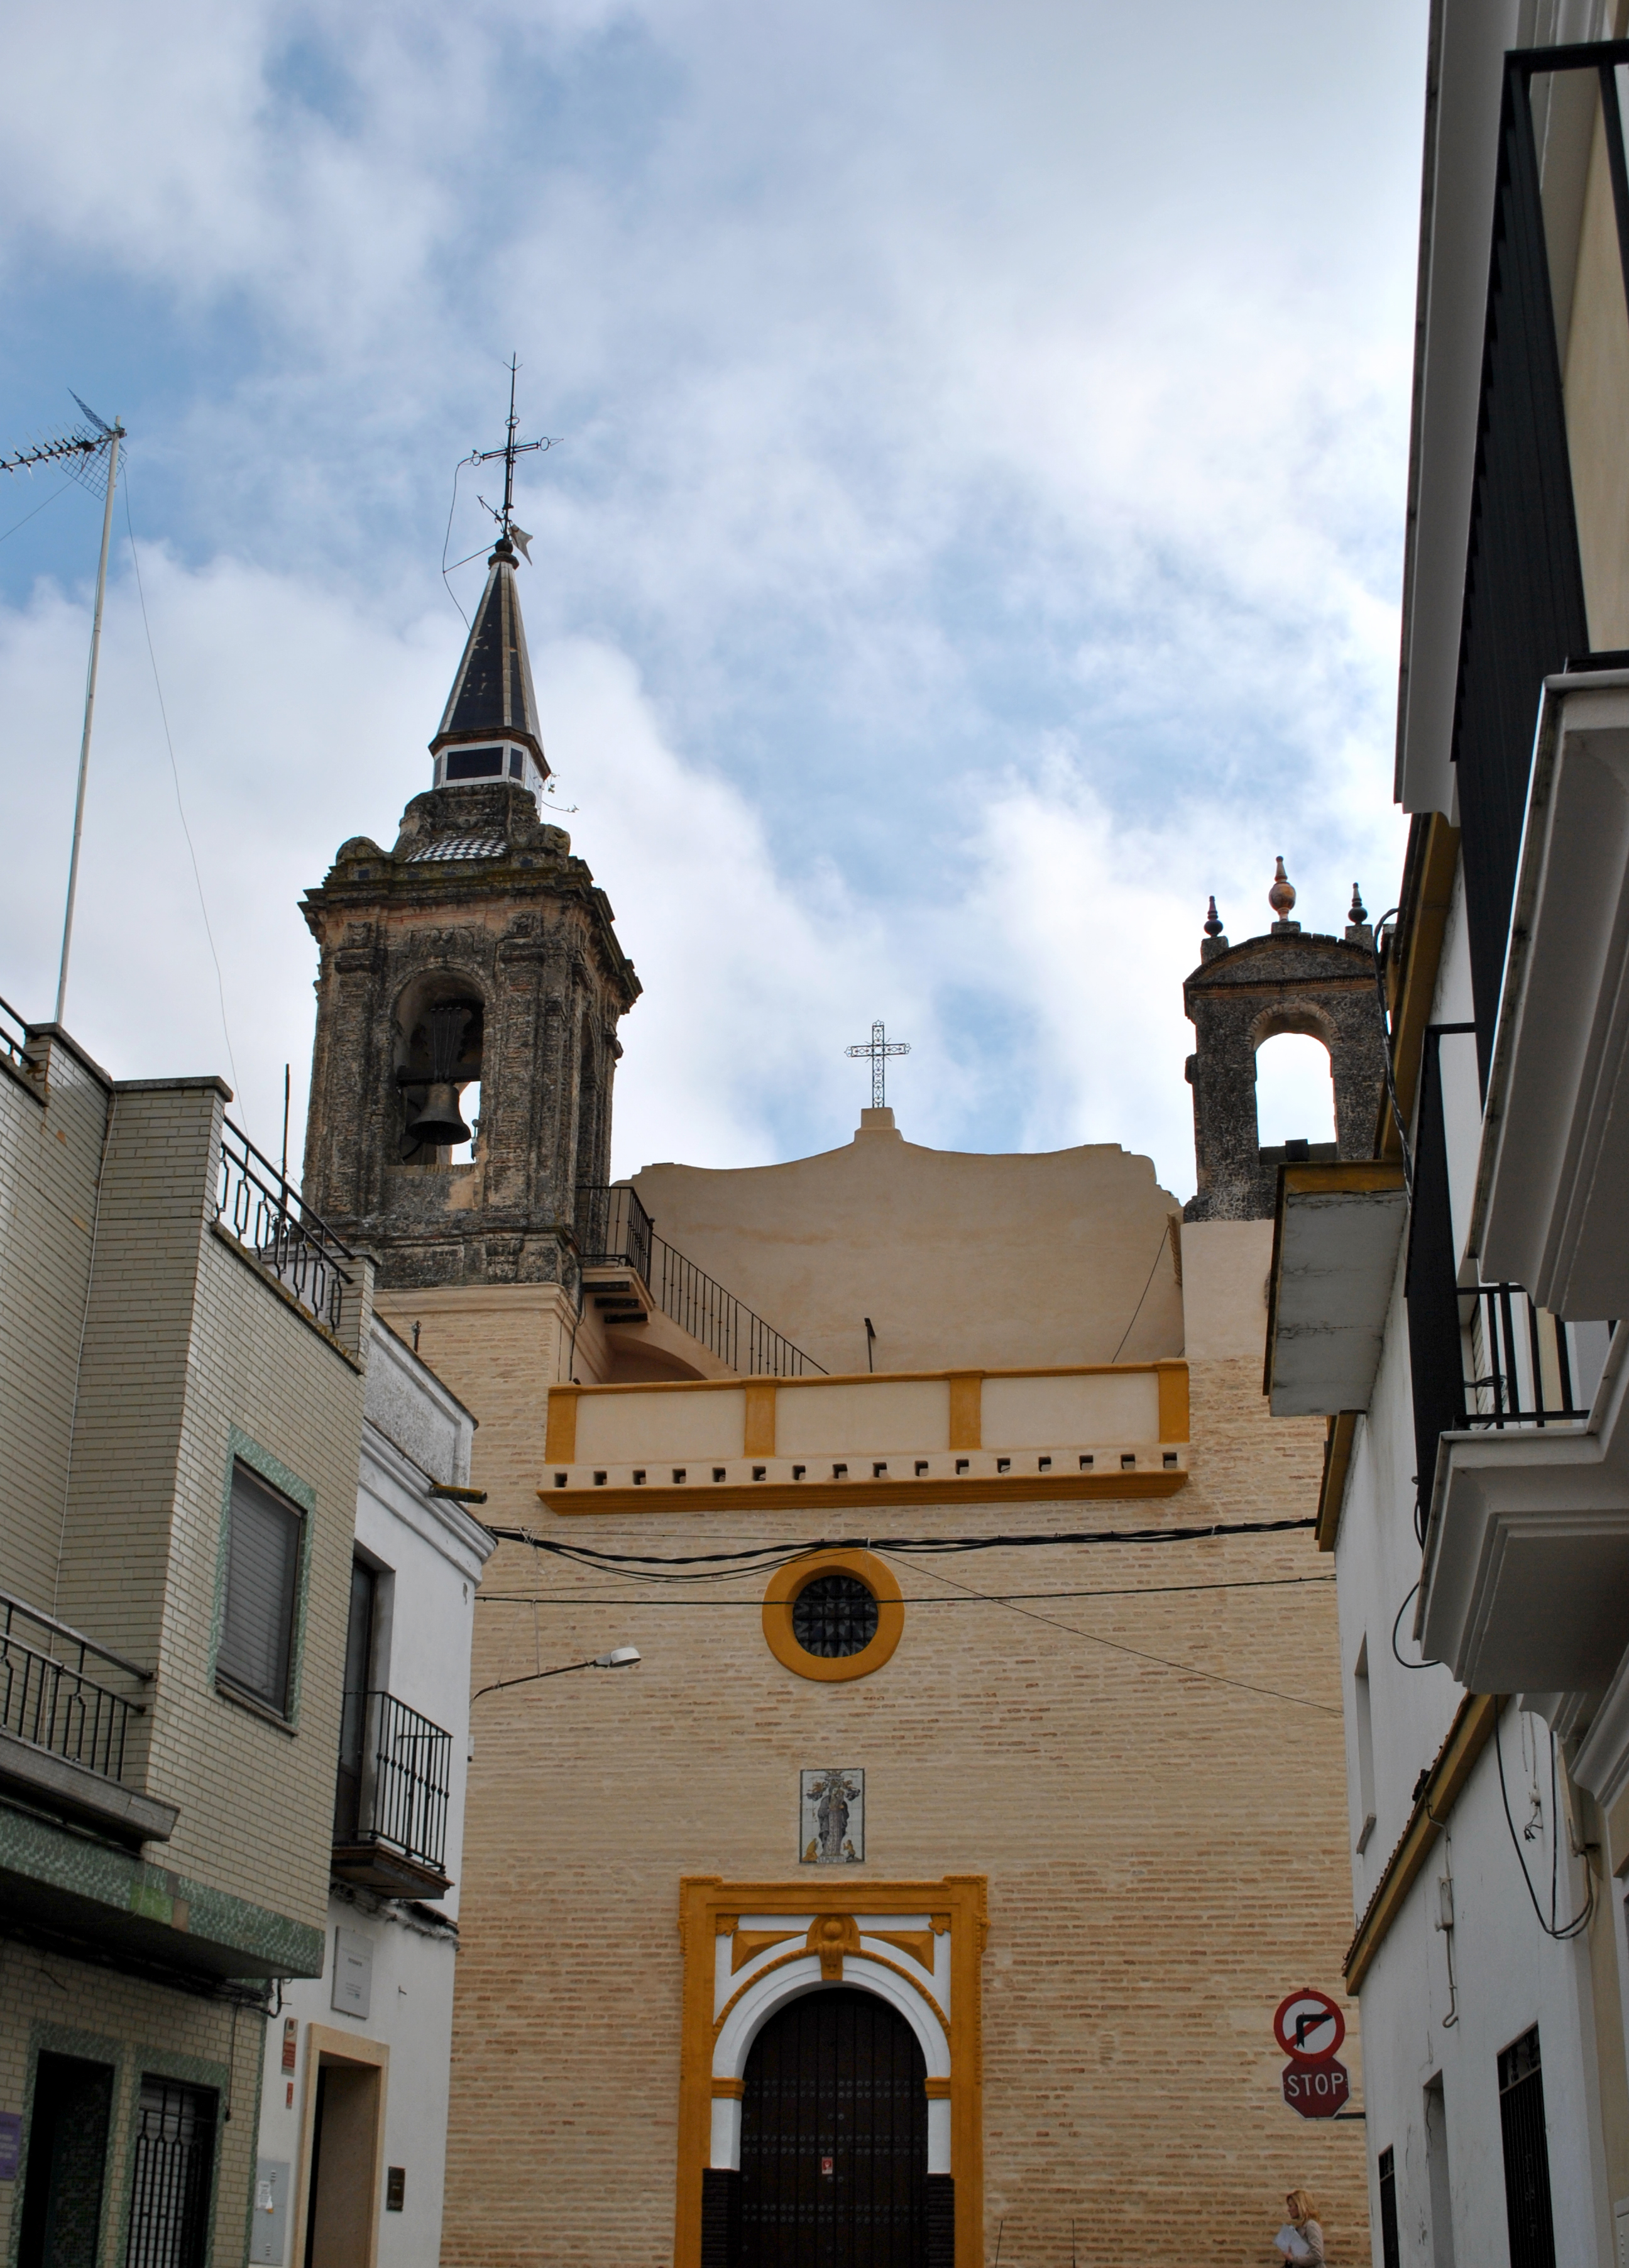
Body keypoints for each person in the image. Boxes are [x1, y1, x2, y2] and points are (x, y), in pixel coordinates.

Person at [1276, 2191, 1325, 2265]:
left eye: (1291, 2206)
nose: (1288, 2210)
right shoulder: (1300, 2226)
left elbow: (1317, 2255)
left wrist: (1292, 2259)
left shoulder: (1311, 2226)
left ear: (1300, 2206)